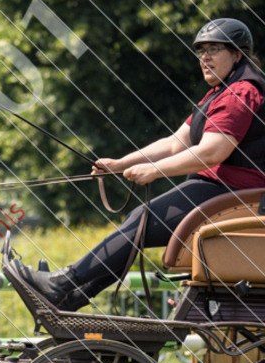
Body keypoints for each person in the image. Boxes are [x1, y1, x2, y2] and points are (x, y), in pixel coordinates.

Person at [15, 18, 265, 311]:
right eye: (201, 51)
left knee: (140, 222)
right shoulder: (220, 93)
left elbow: (212, 152)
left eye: (214, 49)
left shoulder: (241, 93)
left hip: (235, 195)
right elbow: (175, 143)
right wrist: (120, 164)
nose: (204, 57)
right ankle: (71, 294)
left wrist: (155, 171)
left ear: (238, 54)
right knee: (138, 222)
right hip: (219, 190)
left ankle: (62, 285)